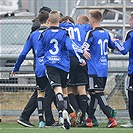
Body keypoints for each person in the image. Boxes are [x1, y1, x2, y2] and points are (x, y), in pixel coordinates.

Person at [37, 10, 90, 129]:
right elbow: (70, 47)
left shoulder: (44, 34)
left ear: (49, 20)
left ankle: (63, 112)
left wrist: (47, 51)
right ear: (58, 20)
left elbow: (39, 52)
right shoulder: (65, 33)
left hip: (51, 65)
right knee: (65, 91)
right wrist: (80, 58)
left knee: (57, 90)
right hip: (64, 65)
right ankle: (64, 114)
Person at [11, 11, 55, 128]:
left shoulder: (33, 34)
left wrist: (16, 68)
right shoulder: (51, 33)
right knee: (52, 92)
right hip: (51, 67)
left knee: (41, 92)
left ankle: (39, 119)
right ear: (48, 20)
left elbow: (23, 53)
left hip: (39, 68)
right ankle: (49, 120)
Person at [83, 10, 117, 128]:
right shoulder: (106, 33)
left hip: (94, 69)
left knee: (97, 93)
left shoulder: (91, 33)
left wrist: (83, 53)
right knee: (93, 94)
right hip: (103, 68)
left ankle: (111, 119)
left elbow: (84, 48)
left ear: (92, 20)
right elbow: (112, 46)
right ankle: (89, 119)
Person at [114, 11, 133, 128]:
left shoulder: (131, 34)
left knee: (131, 96)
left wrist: (116, 42)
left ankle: (132, 121)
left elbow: (124, 50)